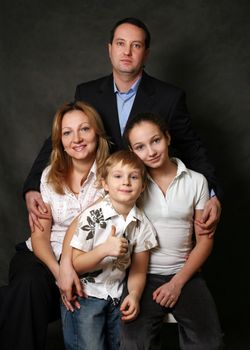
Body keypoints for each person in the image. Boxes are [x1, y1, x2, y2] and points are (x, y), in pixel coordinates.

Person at [23, 17, 222, 237]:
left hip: (148, 201)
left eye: (135, 45)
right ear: (110, 49)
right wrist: (32, 186)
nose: (127, 51)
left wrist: (212, 195)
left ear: (145, 53)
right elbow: (60, 139)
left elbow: (192, 148)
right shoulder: (87, 93)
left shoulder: (170, 98)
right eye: (120, 43)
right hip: (99, 199)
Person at [0, 101, 110, 350]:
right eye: (67, 133)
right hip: (43, 256)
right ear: (59, 140)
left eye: (85, 129)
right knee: (28, 285)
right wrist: (59, 271)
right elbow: (39, 238)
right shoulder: (50, 175)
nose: (77, 139)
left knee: (20, 299)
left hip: (87, 262)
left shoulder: (113, 174)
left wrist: (70, 267)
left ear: (97, 133)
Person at [119, 113, 224, 349]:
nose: (151, 151)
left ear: (167, 137)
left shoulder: (196, 181)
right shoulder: (132, 183)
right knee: (133, 341)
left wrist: (177, 283)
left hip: (185, 273)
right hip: (143, 276)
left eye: (155, 140)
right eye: (140, 147)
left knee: (209, 342)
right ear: (132, 151)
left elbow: (205, 240)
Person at [60, 150, 158, 350]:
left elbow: (139, 269)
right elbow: (76, 264)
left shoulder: (143, 225)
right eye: (118, 176)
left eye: (133, 177)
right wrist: (104, 250)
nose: (126, 182)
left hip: (116, 296)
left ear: (143, 187)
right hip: (86, 296)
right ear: (104, 183)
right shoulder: (92, 217)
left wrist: (135, 294)